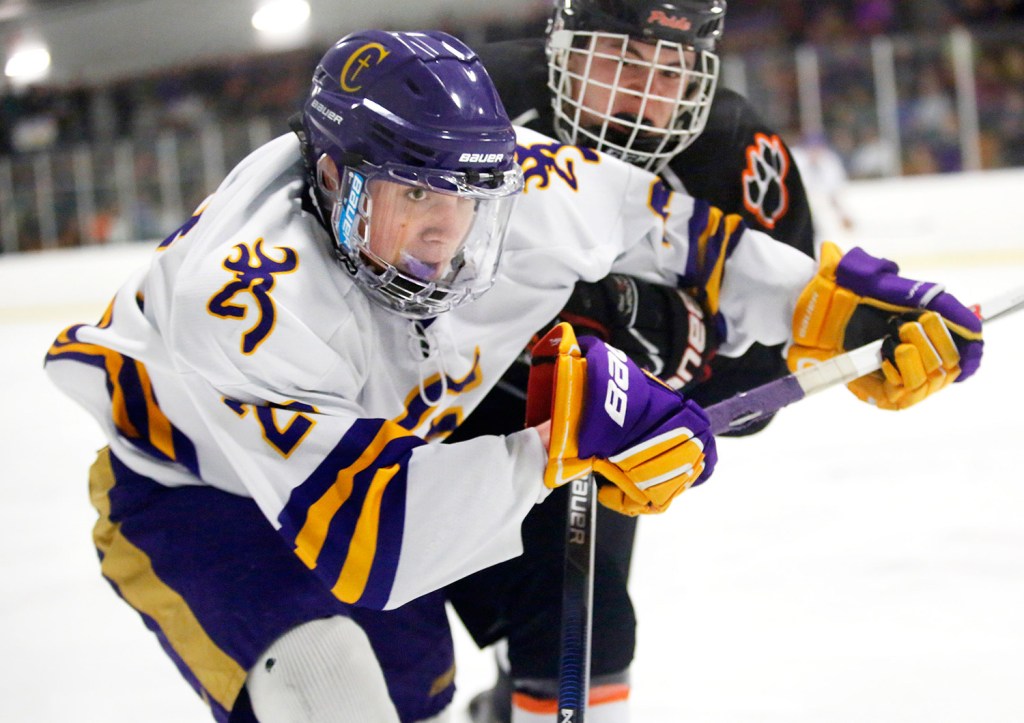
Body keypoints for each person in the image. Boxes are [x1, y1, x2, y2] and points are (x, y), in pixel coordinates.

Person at [45, 27, 983, 723]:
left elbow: (684, 237)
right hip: (195, 496)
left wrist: (835, 308)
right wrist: (564, 439)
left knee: (416, 694)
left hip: (370, 461)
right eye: (413, 193)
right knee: (331, 691)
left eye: (465, 197)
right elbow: (370, 540)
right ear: (332, 181)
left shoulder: (523, 184)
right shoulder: (248, 300)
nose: (445, 233)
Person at [442, 1, 921, 721]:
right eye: (621, 60)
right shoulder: (468, 98)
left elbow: (761, 387)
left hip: (578, 436)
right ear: (563, 47)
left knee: (586, 639)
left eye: (671, 67)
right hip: (408, 418)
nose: (646, 91)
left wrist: (672, 360)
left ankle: (519, 695)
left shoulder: (739, 156)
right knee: (368, 669)